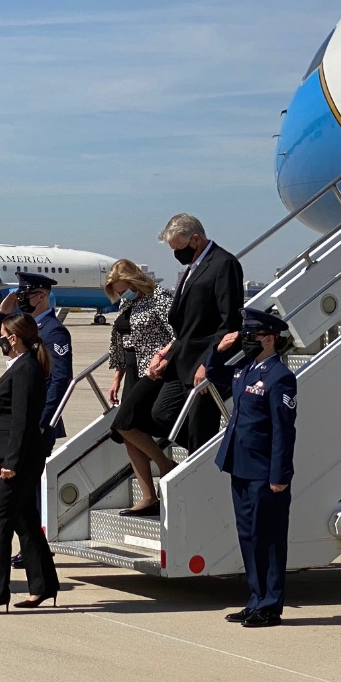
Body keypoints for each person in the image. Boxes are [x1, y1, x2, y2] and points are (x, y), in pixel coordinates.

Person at [0, 313, 61, 614]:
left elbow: (22, 420)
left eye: (4, 333)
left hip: (22, 456)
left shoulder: (26, 369)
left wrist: (12, 461)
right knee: (25, 520)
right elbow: (4, 417)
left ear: (15, 338)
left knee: (0, 520)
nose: (0, 338)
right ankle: (43, 585)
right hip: (14, 453)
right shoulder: (21, 365)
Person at [210, 308, 297, 629]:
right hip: (240, 466)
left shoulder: (281, 377)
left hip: (265, 472)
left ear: (270, 339)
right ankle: (255, 599)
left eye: (252, 336)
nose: (246, 341)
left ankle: (270, 605)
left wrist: (280, 475)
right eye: (244, 336)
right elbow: (212, 374)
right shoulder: (246, 370)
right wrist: (217, 351)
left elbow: (283, 430)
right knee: (248, 536)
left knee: (269, 538)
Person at [0, 271, 72, 568]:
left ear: (41, 296)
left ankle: (33, 549)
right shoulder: (29, 327)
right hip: (22, 423)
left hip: (37, 423)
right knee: (23, 491)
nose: (22, 298)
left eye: (27, 293)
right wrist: (1, 314)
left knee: (28, 489)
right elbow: (0, 341)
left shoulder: (53, 331)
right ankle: (32, 549)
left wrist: (42, 422)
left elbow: (60, 380)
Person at [147, 214, 243, 453]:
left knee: (201, 427)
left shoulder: (223, 264)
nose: (177, 255)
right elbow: (187, 327)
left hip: (204, 365)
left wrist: (209, 363)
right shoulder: (193, 268)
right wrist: (167, 355)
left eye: (179, 248)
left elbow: (228, 321)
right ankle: (205, 454)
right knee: (161, 415)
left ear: (196, 239)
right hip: (182, 362)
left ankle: (201, 463)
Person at [104, 259, 177, 516]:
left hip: (155, 370)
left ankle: (166, 465)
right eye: (119, 291)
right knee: (129, 433)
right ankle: (148, 496)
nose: (122, 294)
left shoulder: (159, 298)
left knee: (123, 423)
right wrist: (117, 377)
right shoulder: (127, 303)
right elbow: (122, 342)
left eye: (125, 289)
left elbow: (178, 333)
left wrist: (163, 357)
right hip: (133, 371)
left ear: (135, 281)